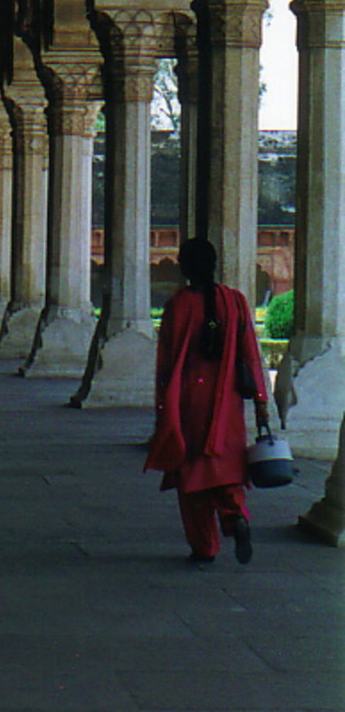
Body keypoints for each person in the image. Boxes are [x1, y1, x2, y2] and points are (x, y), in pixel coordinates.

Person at [145, 237, 269, 565]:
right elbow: (251, 356)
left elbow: (167, 363)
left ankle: (205, 547)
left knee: (192, 474)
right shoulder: (236, 301)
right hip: (227, 404)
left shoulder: (179, 305)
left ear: (185, 267)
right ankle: (235, 515)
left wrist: (163, 409)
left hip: (189, 403)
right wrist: (260, 401)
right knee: (226, 467)